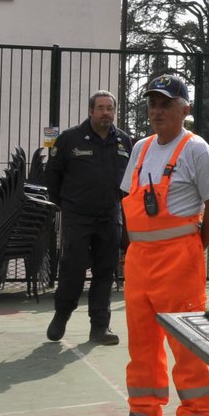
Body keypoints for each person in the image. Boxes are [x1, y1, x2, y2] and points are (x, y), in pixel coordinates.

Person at [102, 74, 209, 416]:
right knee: (142, 347)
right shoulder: (140, 149)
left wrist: (191, 250)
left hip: (179, 263)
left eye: (166, 104)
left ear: (184, 109)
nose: (157, 111)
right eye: (152, 104)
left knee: (187, 347)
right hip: (140, 263)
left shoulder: (197, 150)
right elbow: (130, 206)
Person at [44, 91, 133, 345]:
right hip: (78, 218)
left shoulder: (124, 141)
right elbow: (52, 178)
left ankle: (99, 328)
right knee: (73, 270)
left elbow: (129, 182)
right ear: (90, 111)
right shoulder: (70, 139)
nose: (106, 113)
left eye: (110, 108)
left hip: (110, 218)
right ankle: (61, 316)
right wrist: (68, 207)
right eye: (101, 108)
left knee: (105, 273)